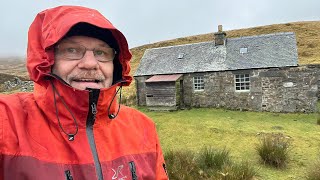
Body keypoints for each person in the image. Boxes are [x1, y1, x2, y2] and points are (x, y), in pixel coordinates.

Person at [0, 5, 168, 180]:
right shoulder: (7, 122)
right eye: (72, 50)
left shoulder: (143, 128)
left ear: (115, 64)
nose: (90, 63)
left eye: (101, 52)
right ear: (47, 60)